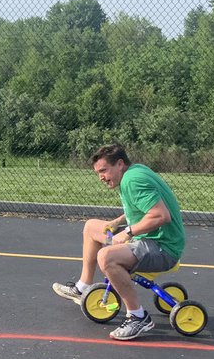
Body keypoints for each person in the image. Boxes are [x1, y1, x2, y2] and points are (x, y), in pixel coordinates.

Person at [53, 144, 186, 341]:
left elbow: (161, 215)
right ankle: (82, 288)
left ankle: (138, 316)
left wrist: (127, 232)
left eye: (104, 170)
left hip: (162, 249)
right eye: (98, 173)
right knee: (91, 228)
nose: (101, 177)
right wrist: (117, 222)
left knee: (106, 257)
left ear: (120, 164)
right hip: (147, 241)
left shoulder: (133, 181)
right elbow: (142, 207)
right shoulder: (134, 173)